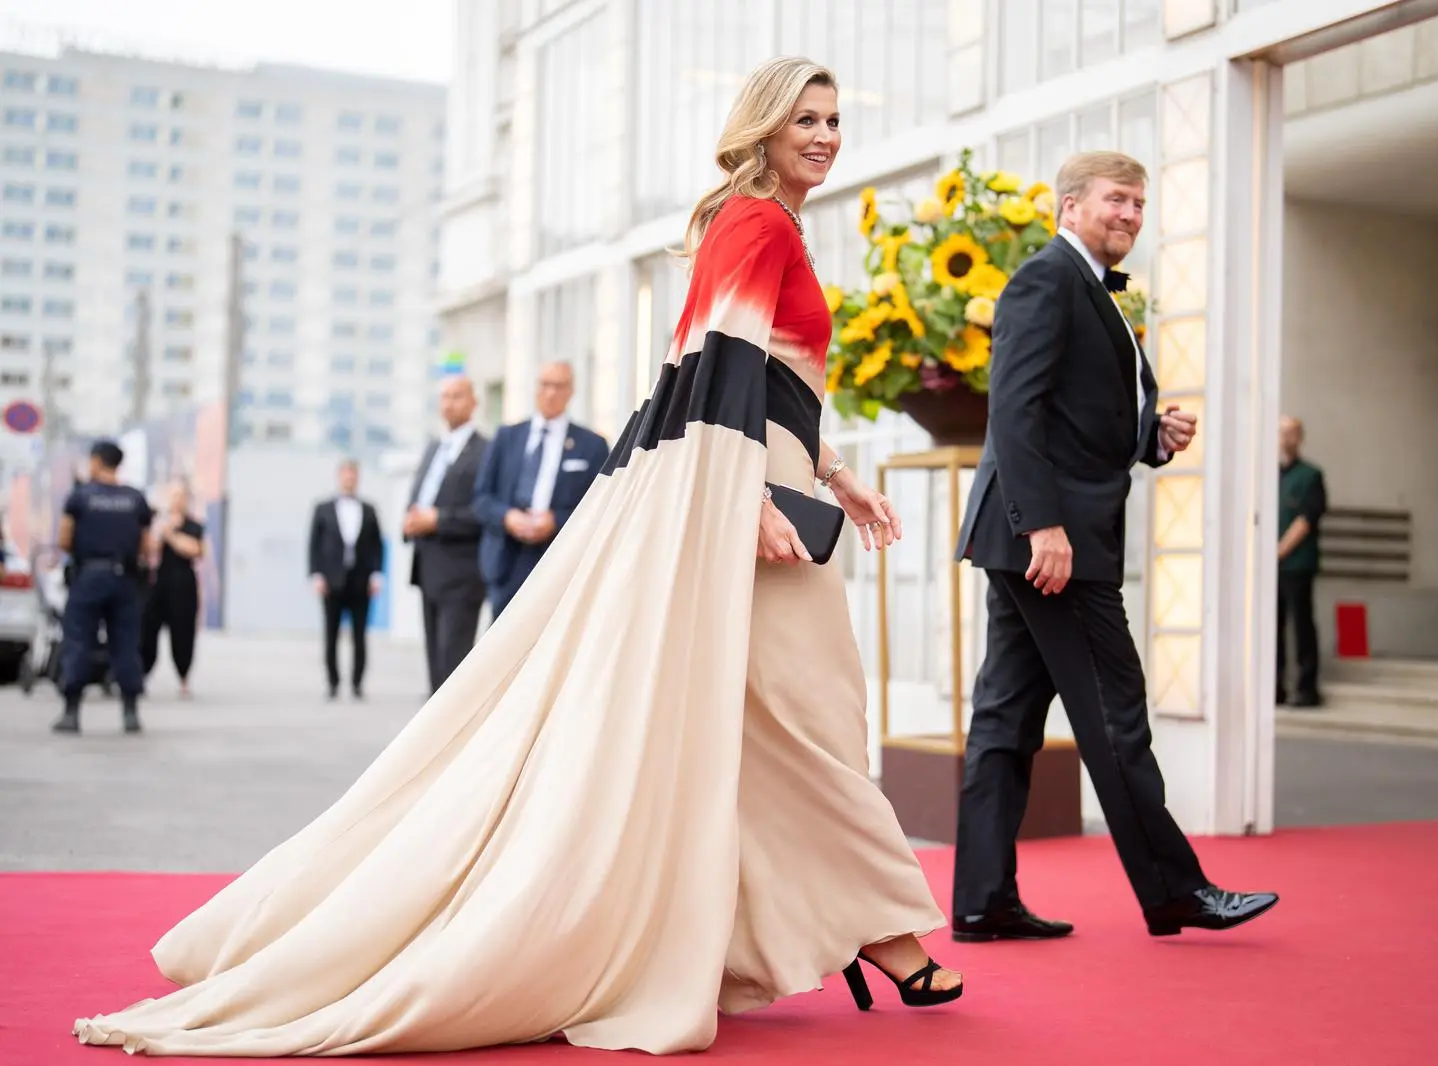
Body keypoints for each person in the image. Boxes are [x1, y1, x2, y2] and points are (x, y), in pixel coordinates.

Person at [73, 57, 960, 1058]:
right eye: (806, 118)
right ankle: (881, 929)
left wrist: (834, 474)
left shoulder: (763, 225)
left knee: (768, 718)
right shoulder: (755, 222)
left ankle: (786, 928)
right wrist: (752, 492)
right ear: (760, 127)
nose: (826, 134)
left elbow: (763, 381)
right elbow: (717, 370)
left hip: (754, 480)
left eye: (834, 119)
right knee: (806, 712)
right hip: (738, 495)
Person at [950, 150, 1279, 942]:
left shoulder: (1096, 289)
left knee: (1005, 719)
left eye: (1139, 204)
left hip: (1039, 533)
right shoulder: (1046, 279)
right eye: (1116, 201)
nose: (1131, 215)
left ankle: (980, 900)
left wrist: (1149, 436)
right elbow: (1016, 413)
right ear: (1070, 207)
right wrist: (1044, 527)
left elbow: (1070, 417)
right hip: (1050, 543)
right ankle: (1173, 890)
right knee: (1115, 713)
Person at [472, 361, 608, 619]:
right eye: (545, 385)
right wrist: (508, 517)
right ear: (535, 388)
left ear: (571, 392)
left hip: (558, 560)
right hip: (507, 561)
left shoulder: (591, 445)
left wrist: (555, 520)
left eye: (559, 386)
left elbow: (600, 507)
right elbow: (482, 498)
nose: (550, 393)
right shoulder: (507, 437)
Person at [51, 439, 153, 735]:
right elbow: (146, 546)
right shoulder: (135, 499)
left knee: (79, 641)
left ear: (96, 461)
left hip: (89, 577)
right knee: (126, 645)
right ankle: (130, 713)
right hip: (125, 579)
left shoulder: (80, 497)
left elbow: (64, 540)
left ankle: (71, 713)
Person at [403, 376, 489, 693]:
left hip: (462, 573)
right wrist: (409, 519)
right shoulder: (433, 448)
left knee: (453, 664)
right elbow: (420, 495)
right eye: (444, 397)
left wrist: (438, 519)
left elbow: (483, 510)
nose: (449, 403)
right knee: (435, 664)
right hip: (427, 569)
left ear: (473, 402)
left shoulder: (485, 452)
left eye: (456, 396)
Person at [306, 459, 384, 700]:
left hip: (360, 581)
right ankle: (332, 682)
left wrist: (377, 574)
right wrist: (316, 574)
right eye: (345, 475)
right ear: (339, 477)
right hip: (332, 581)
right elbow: (314, 544)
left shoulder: (369, 509)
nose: (349, 479)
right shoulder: (323, 508)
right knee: (331, 635)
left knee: (360, 636)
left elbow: (377, 545)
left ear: (357, 478)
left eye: (353, 475)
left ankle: (357, 683)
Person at [1277, 414, 1327, 707]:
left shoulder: (1311, 476)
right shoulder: (1269, 476)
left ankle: (1307, 689)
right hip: (1272, 567)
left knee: (1302, 626)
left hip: (1298, 565)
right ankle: (1275, 687)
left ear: (1300, 437)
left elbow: (1307, 518)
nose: (1286, 438)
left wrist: (1279, 550)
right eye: (1282, 432)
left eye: (1292, 432)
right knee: (1272, 628)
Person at [140, 480, 205, 698]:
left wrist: (171, 535)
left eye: (181, 495)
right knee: (148, 630)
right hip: (159, 582)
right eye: (173, 495)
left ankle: (184, 678)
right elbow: (149, 548)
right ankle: (143, 674)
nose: (177, 499)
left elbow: (195, 549)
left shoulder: (194, 526)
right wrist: (160, 531)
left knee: (183, 633)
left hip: (183, 584)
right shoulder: (157, 522)